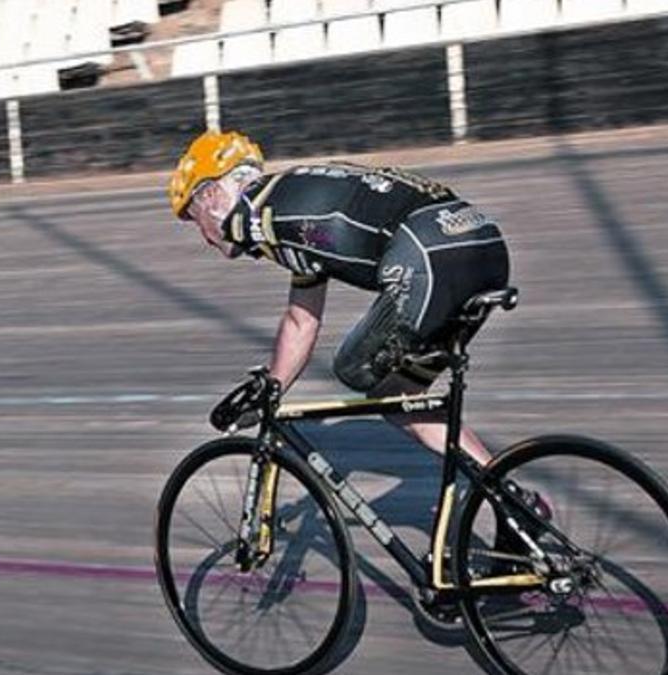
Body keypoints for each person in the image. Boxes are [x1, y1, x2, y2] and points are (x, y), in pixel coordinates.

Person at [168, 129, 550, 532]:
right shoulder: (290, 197)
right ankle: (512, 505)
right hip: (480, 243)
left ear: (211, 195)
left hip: (430, 258)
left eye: (193, 217)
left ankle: (479, 507)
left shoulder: (254, 215)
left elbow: (282, 276)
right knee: (395, 395)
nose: (203, 236)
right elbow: (302, 319)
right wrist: (274, 384)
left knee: (354, 368)